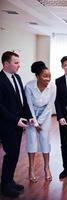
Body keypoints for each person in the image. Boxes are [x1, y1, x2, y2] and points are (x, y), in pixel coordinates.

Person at [0, 51, 33, 198]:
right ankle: (5, 186)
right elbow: (0, 107)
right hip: (7, 124)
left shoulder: (17, 77)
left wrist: (29, 116)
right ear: (6, 64)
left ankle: (9, 180)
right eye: (16, 62)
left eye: (19, 62)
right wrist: (15, 120)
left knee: (14, 154)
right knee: (11, 154)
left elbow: (23, 101)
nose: (19, 65)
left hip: (19, 124)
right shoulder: (0, 80)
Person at [25, 61, 56, 183]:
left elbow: (49, 106)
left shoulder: (53, 87)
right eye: (45, 76)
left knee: (44, 140)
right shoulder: (29, 86)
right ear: (37, 76)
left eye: (49, 76)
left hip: (45, 114)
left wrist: (41, 121)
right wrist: (35, 123)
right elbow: (29, 105)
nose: (48, 79)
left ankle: (46, 167)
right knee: (31, 140)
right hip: (31, 115)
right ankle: (31, 169)